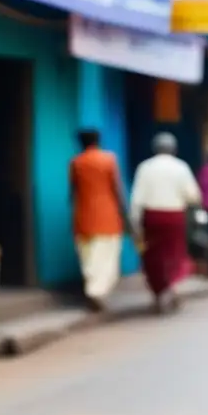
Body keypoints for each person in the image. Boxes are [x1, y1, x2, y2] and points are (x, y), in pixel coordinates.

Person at [130, 133, 202, 312]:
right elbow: (193, 196)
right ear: (174, 149)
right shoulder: (181, 167)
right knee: (173, 253)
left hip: (151, 218)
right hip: (174, 217)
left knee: (153, 256)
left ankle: (159, 292)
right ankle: (170, 288)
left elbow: (137, 200)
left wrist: (134, 223)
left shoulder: (144, 167)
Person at [69, 129, 128, 311]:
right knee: (106, 257)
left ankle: (92, 290)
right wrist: (124, 214)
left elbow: (72, 192)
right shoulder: (108, 160)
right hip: (106, 217)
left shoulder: (76, 162)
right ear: (98, 141)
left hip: (83, 216)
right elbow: (116, 189)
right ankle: (96, 292)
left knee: (88, 257)